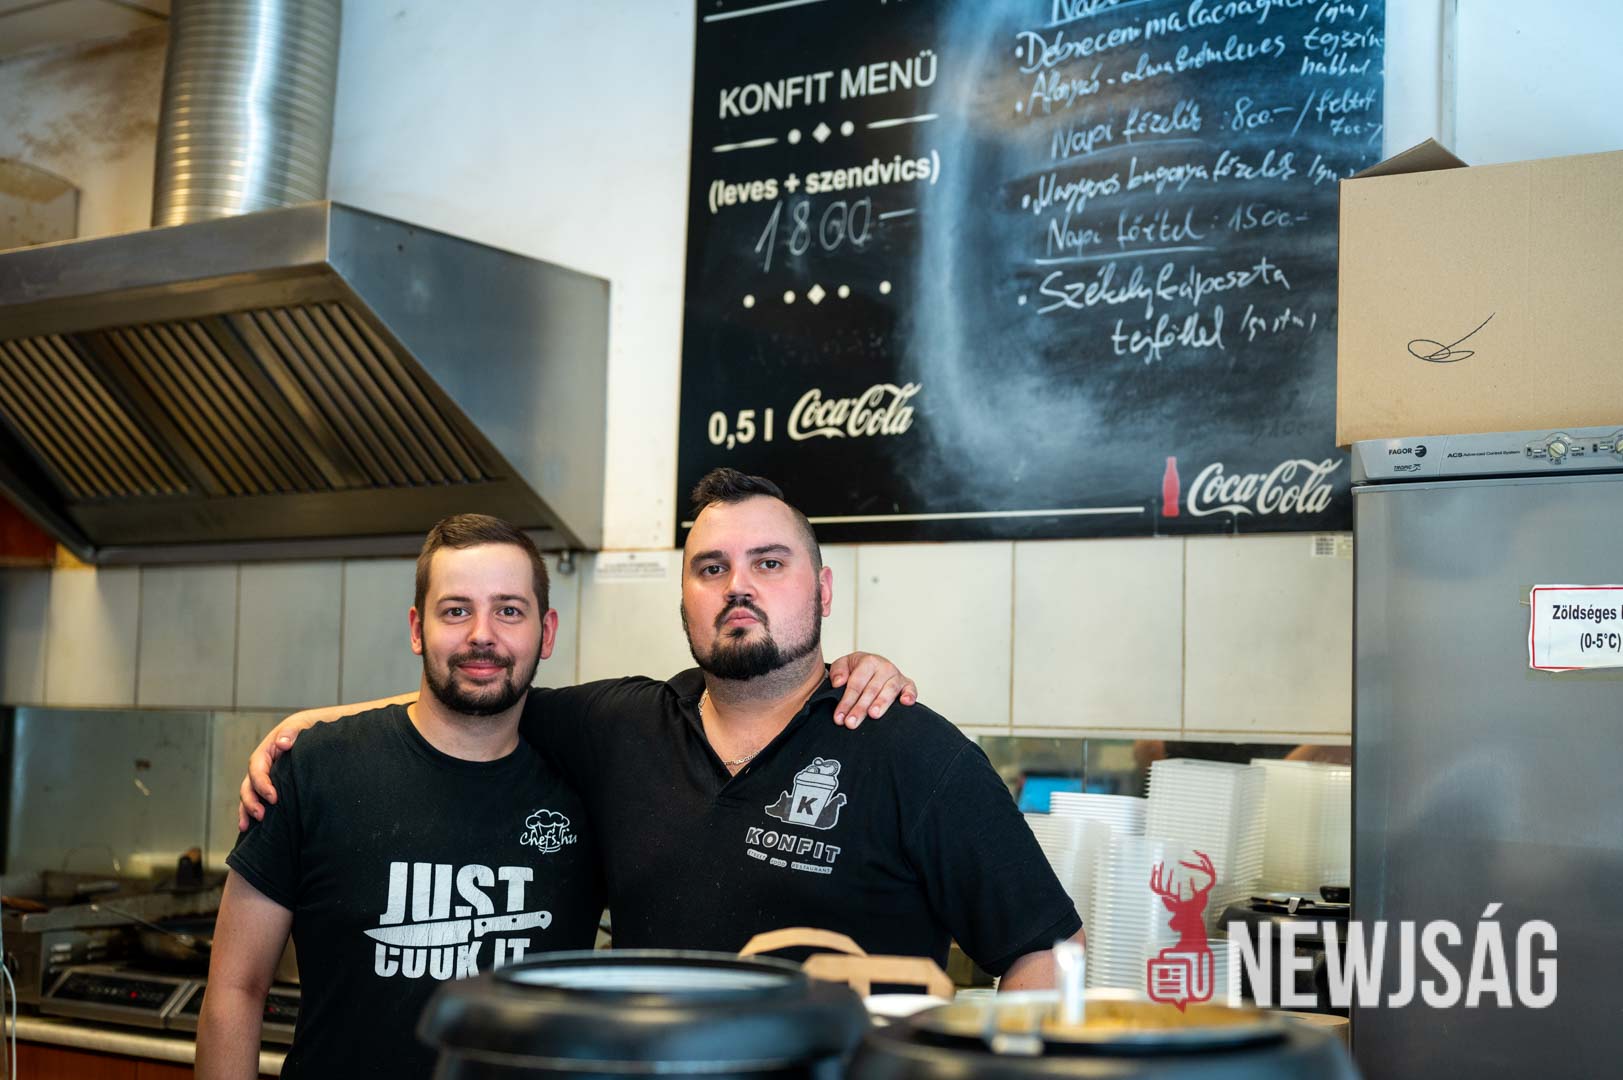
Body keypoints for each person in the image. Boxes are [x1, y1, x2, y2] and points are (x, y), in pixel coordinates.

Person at [244, 469, 1082, 990]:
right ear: (683, 598)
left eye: (769, 563)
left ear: (822, 590)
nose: (738, 586)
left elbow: (1050, 952)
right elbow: (476, 693)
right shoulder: (623, 727)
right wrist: (308, 728)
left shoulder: (908, 749)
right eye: (711, 568)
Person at [197, 515, 602, 1079]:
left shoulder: (593, 784)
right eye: (455, 611)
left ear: (547, 632)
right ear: (417, 629)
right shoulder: (312, 769)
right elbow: (236, 988)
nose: (482, 634)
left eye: (509, 610)